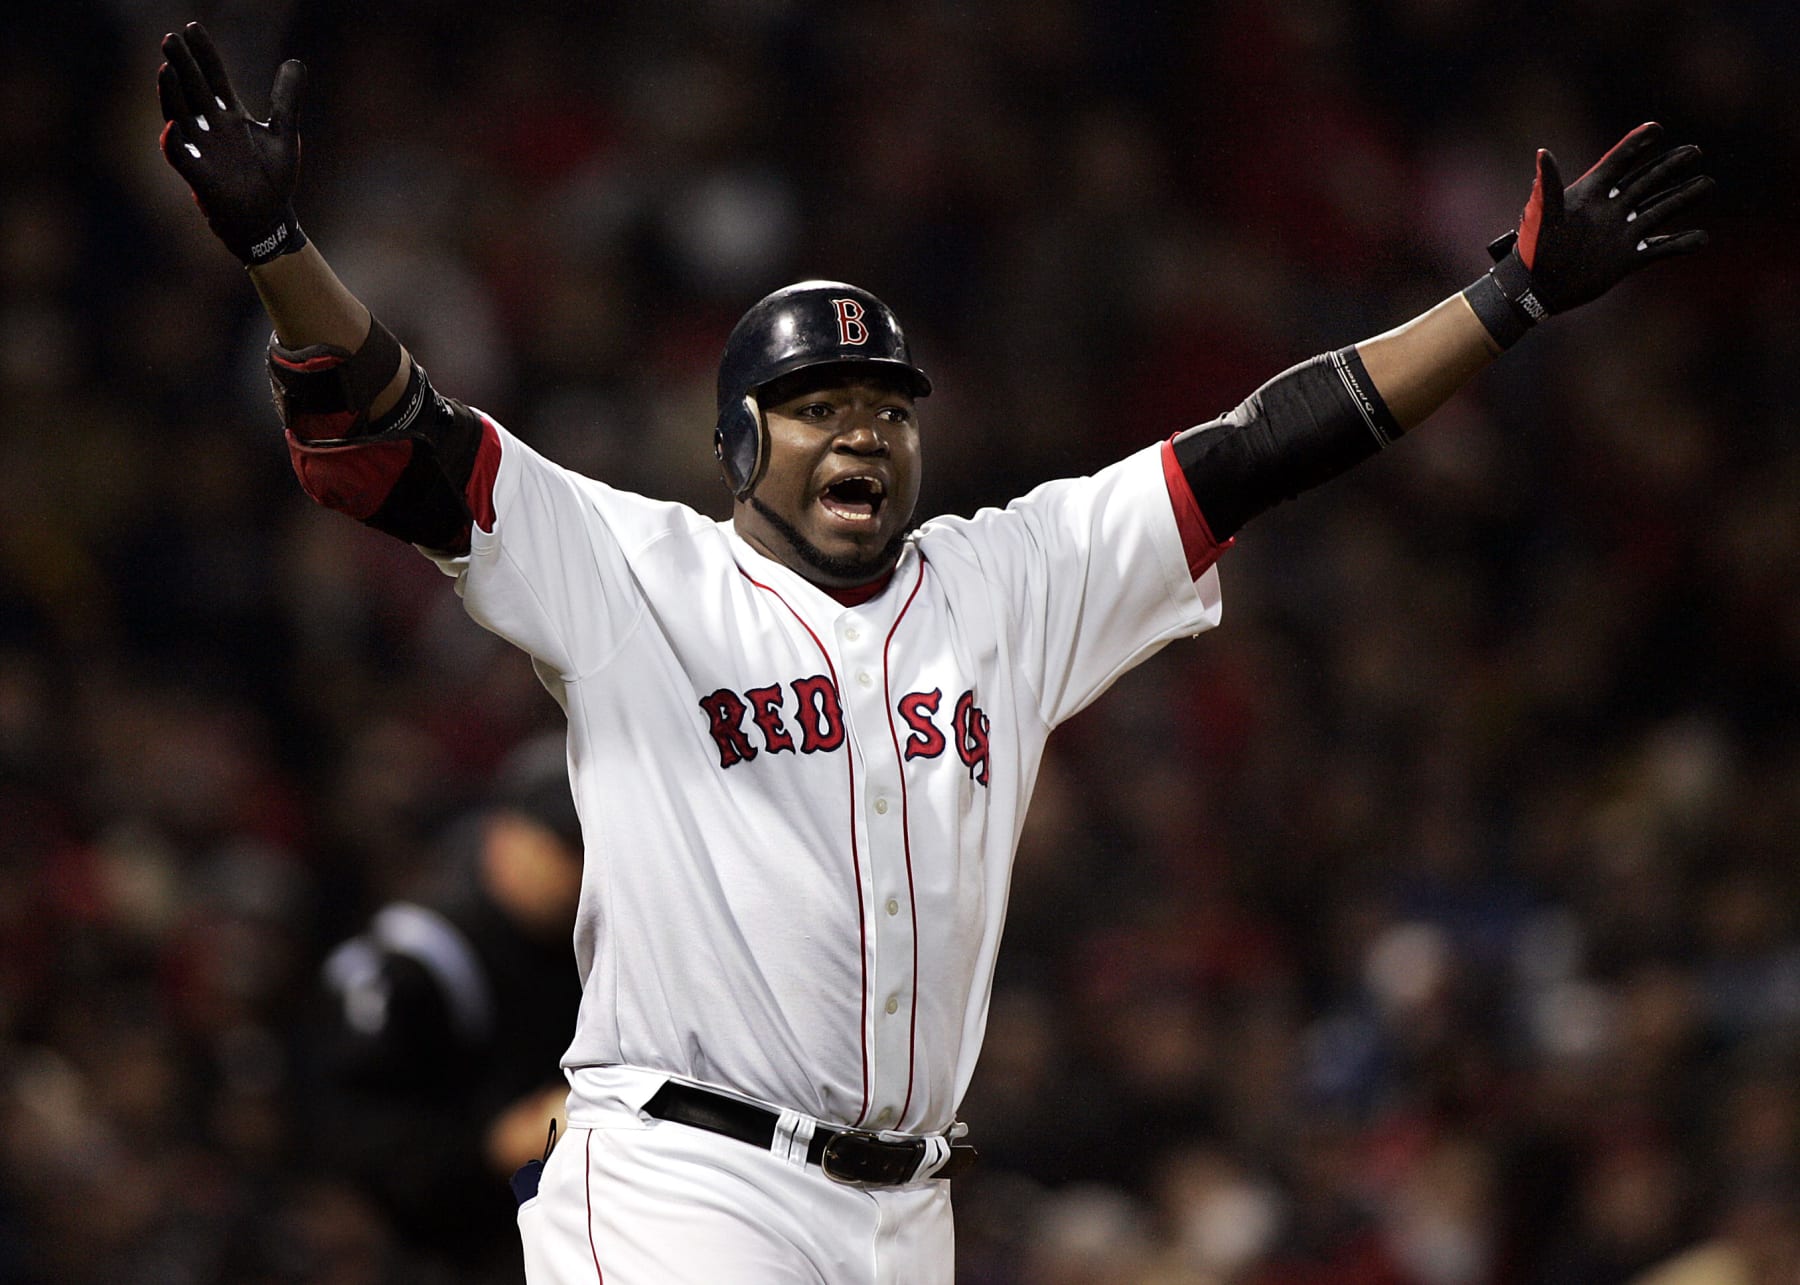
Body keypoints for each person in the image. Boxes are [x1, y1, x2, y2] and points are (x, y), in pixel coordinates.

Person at [155, 20, 1712, 1284]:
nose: (860, 430)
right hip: (686, 1184)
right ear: (735, 441)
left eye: (887, 406)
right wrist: (281, 247)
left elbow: (1260, 448)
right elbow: (397, 435)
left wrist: (1502, 303)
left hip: (908, 1217)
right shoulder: (635, 567)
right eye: (819, 403)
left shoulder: (1005, 583)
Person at [299, 733, 584, 1279]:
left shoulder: (587, 939)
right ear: (504, 835)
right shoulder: (419, 956)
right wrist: (495, 1147)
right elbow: (341, 1138)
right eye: (568, 847)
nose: (582, 869)